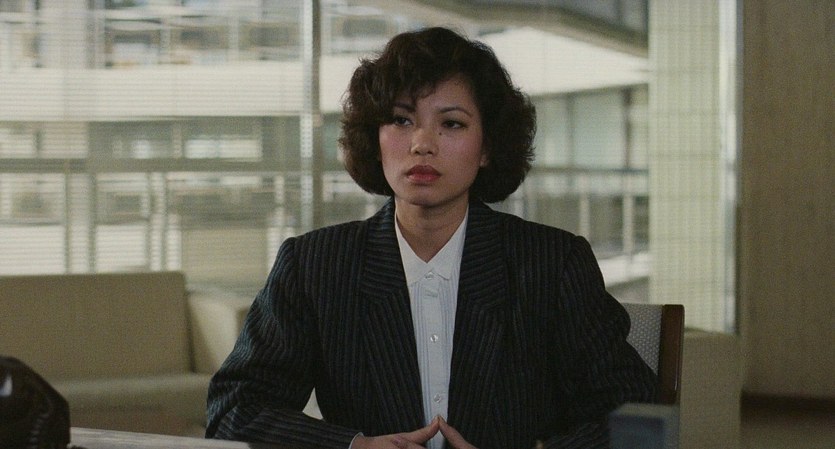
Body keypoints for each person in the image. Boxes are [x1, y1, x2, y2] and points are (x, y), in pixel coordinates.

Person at [205, 26, 657, 449]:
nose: (422, 143)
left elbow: (637, 416)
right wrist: (354, 446)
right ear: (375, 138)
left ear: (487, 148)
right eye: (401, 121)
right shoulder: (315, 265)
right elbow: (234, 409)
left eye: (452, 123)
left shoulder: (552, 263)